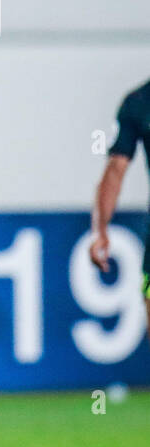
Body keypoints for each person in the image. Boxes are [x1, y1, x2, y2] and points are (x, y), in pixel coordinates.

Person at [89, 77, 150, 330]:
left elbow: (116, 168)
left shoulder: (139, 101)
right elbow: (115, 169)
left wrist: (100, 231)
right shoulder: (139, 103)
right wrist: (100, 229)